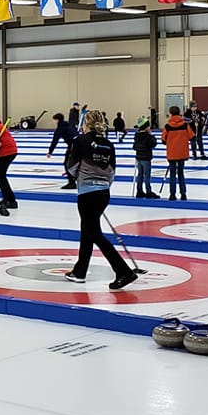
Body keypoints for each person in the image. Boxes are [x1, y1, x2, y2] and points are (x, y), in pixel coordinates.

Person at [63, 114, 138, 290]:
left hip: (87, 193)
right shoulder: (109, 144)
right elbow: (112, 171)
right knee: (87, 231)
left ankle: (123, 271)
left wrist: (82, 178)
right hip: (103, 192)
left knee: (94, 233)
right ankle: (80, 271)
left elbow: (71, 167)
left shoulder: (80, 141)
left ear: (85, 124)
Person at [161, 107, 191, 200]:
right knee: (181, 174)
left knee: (172, 174)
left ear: (171, 114)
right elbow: (192, 136)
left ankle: (172, 194)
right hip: (182, 153)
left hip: (172, 154)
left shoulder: (167, 126)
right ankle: (183, 194)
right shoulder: (185, 125)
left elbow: (163, 140)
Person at [46, 112, 79, 188]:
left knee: (67, 163)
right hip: (78, 144)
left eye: (54, 120)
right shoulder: (69, 124)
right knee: (75, 163)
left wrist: (50, 152)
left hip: (72, 146)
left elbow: (55, 140)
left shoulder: (60, 128)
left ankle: (72, 182)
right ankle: (75, 179)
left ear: (57, 120)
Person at [132, 120, 157, 198]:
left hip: (138, 157)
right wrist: (152, 136)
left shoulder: (137, 135)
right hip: (146, 158)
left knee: (140, 175)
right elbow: (153, 144)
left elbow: (134, 146)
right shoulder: (148, 136)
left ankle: (139, 190)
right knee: (147, 176)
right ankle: (148, 191)